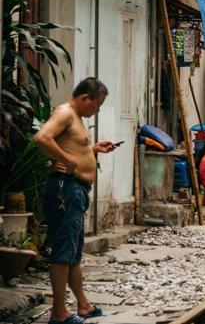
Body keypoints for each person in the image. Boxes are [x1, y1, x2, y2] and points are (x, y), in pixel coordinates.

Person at [34, 78, 114, 324]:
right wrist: (68, 160)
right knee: (64, 250)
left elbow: (73, 148)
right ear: (84, 98)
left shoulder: (77, 119)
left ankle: (83, 305)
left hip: (76, 190)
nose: (97, 110)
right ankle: (58, 313)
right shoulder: (65, 112)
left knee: (74, 252)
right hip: (65, 189)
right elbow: (42, 138)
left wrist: (93, 149)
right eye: (97, 105)